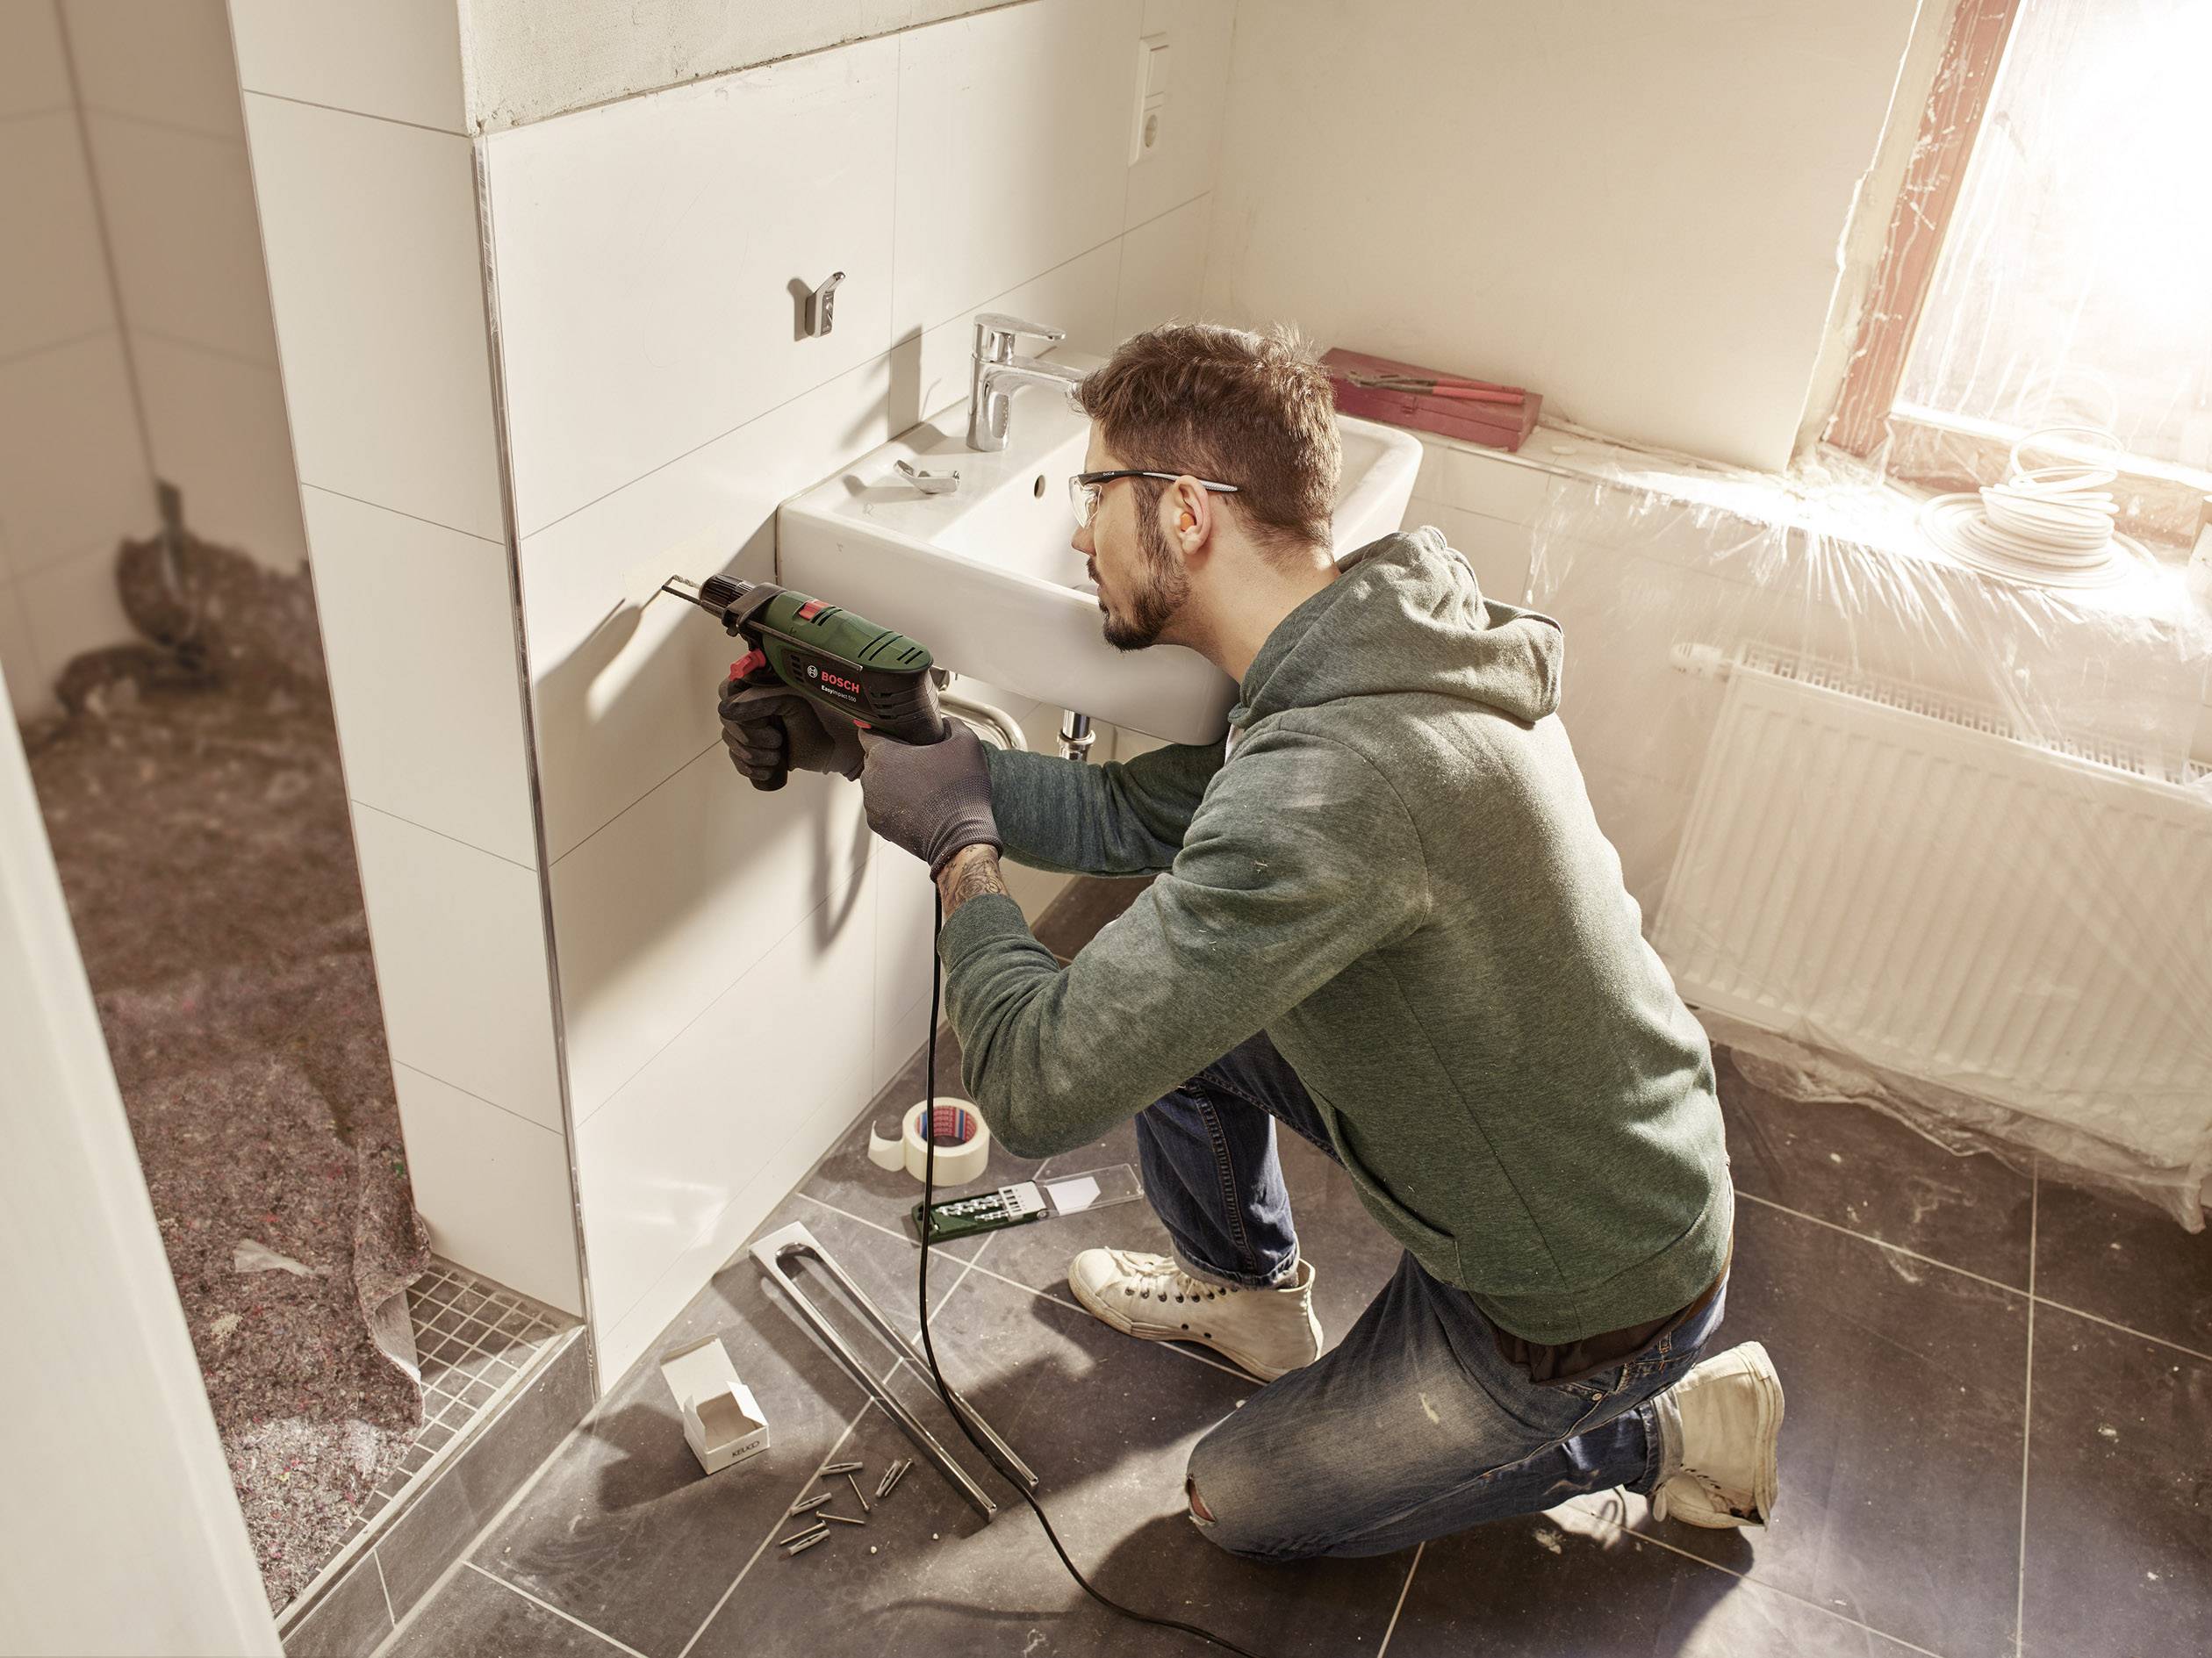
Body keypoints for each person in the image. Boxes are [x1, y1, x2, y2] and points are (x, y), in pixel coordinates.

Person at [717, 322, 1782, 1561]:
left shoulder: (1335, 779)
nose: (1077, 534)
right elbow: (1129, 813)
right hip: (1571, 1155)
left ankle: (1666, 1424)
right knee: (1170, 1013)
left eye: (1094, 493)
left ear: (1184, 512)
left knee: (1239, 1502)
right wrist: (868, 750)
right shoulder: (1370, 651)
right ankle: (1251, 1297)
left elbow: (1036, 1087)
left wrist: (959, 843)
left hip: (1578, 1294)